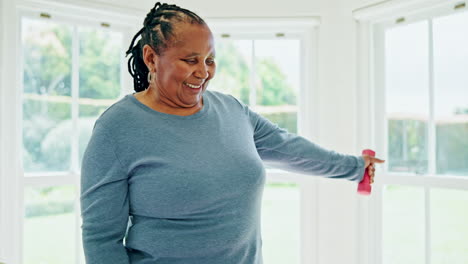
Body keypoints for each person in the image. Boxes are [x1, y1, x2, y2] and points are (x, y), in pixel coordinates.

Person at [80, 2, 385, 264]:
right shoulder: (118, 127)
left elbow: (288, 148)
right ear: (150, 58)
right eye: (190, 60)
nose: (203, 72)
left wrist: (355, 167)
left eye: (209, 60)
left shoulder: (231, 111)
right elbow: (101, 238)